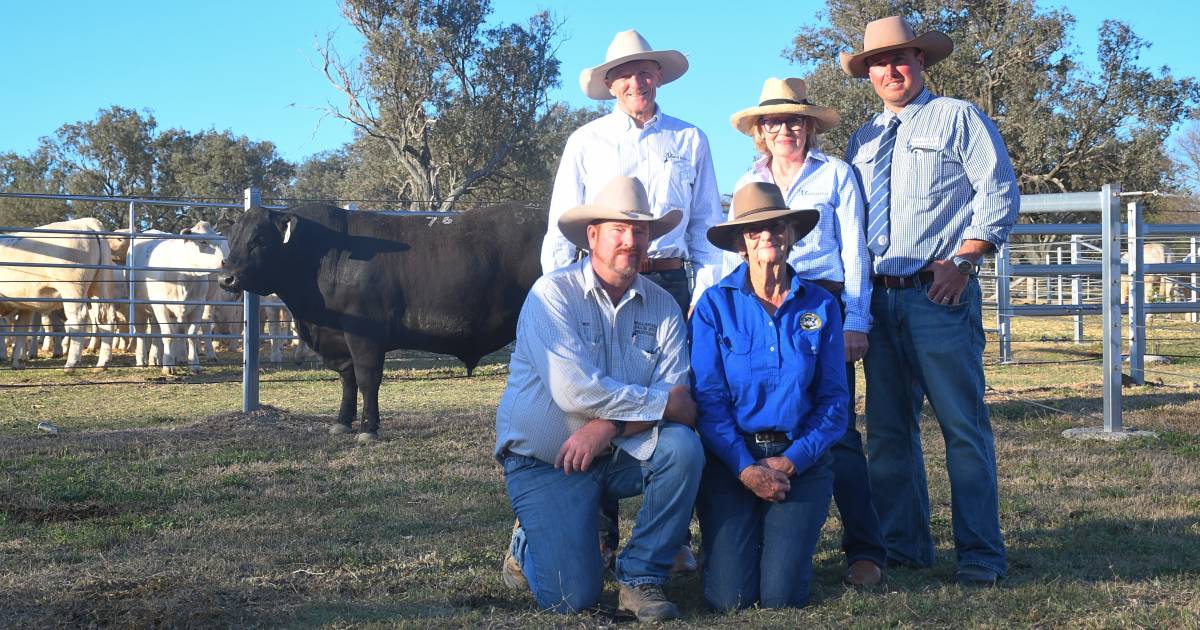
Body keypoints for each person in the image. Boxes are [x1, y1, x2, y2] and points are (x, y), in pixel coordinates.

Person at [841, 15, 1019, 586]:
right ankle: (905, 548)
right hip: (882, 298)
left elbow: (998, 193)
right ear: (868, 73)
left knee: (962, 427)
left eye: (901, 59)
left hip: (938, 296)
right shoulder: (861, 139)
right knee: (889, 431)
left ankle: (980, 555)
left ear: (921, 62)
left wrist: (963, 262)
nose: (891, 70)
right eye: (879, 63)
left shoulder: (959, 117)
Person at [541, 27, 724, 572]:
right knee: (593, 401)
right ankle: (598, 533)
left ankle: (672, 534)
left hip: (669, 282)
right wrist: (562, 296)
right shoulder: (585, 142)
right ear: (611, 83)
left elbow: (708, 228)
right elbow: (559, 230)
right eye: (626, 73)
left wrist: (704, 299)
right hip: (595, 284)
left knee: (674, 400)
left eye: (646, 70)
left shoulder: (690, 139)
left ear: (659, 77)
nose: (637, 80)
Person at [496, 176, 704, 622]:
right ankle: (528, 539)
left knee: (683, 450)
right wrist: (649, 406)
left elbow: (679, 398)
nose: (631, 241)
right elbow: (574, 390)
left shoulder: (663, 307)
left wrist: (606, 426)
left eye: (641, 231)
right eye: (619, 230)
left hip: (617, 449)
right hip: (549, 459)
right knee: (572, 596)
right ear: (592, 236)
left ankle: (640, 575)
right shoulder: (551, 294)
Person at [726, 77, 887, 587]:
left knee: (837, 429)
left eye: (796, 119)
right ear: (761, 131)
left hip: (823, 301)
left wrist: (856, 320)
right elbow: (732, 247)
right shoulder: (748, 179)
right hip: (761, 298)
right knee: (765, 416)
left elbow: (855, 246)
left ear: (810, 126)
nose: (786, 128)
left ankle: (864, 549)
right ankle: (760, 536)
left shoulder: (836, 173)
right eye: (775, 121)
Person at [690, 181, 849, 610]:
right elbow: (708, 400)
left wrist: (794, 459)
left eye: (777, 226)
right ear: (741, 243)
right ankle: (728, 545)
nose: (767, 237)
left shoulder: (821, 305)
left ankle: (781, 548)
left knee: (780, 597)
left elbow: (835, 403)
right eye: (755, 230)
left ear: (792, 234)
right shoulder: (713, 306)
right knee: (731, 599)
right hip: (731, 460)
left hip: (800, 459)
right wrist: (745, 468)